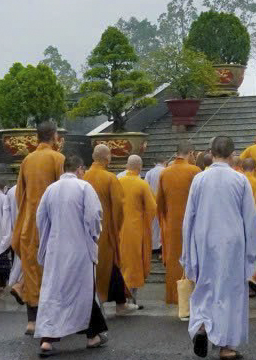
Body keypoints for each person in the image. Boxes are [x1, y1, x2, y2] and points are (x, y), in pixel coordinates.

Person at [182, 136, 256, 360]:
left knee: (205, 285)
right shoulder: (239, 180)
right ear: (232, 155)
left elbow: (189, 216)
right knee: (229, 292)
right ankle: (226, 347)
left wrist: (187, 249)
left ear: (210, 152)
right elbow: (250, 217)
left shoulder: (199, 179)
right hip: (232, 243)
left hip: (205, 239)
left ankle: (201, 326)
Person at [34, 155, 107, 356]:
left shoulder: (51, 189)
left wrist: (48, 240)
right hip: (78, 248)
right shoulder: (84, 188)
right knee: (83, 291)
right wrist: (93, 237)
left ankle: (47, 340)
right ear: (80, 169)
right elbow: (93, 217)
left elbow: (41, 219)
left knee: (53, 292)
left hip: (56, 249)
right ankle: (92, 336)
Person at [13, 121, 65, 335]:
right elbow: (64, 192)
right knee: (52, 272)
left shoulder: (27, 159)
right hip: (52, 225)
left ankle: (32, 321)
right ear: (54, 137)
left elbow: (19, 195)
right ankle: (53, 321)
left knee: (32, 270)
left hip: (29, 224)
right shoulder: (58, 158)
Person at [83, 145, 127, 312]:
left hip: (86, 232)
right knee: (108, 265)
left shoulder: (84, 177)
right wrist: (116, 228)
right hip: (105, 230)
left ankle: (117, 302)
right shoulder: (109, 178)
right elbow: (118, 208)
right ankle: (103, 301)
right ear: (107, 158)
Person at [156, 140, 199, 305]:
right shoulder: (194, 171)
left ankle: (174, 296)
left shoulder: (165, 173)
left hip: (172, 224)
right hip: (193, 224)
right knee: (192, 258)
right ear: (190, 154)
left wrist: (166, 220)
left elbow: (159, 203)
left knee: (174, 259)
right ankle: (191, 298)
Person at [116, 155, 157, 307]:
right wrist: (145, 221)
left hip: (118, 228)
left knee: (121, 263)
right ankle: (130, 300)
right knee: (133, 265)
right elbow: (153, 208)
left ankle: (121, 301)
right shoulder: (142, 184)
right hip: (135, 229)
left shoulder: (118, 182)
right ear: (139, 168)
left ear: (127, 166)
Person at [238, 159, 256, 297]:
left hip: (238, 223)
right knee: (253, 252)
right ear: (255, 168)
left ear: (241, 167)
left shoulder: (238, 181)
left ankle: (245, 284)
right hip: (254, 222)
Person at [143, 160, 164, 251]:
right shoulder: (166, 170)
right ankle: (160, 246)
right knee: (161, 225)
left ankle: (153, 245)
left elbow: (145, 186)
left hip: (151, 200)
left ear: (155, 163)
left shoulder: (149, 172)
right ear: (164, 162)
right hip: (162, 201)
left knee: (153, 225)